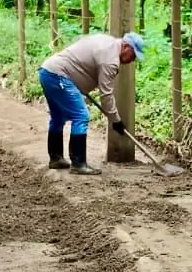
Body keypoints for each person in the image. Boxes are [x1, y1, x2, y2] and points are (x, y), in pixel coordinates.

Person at [37, 32, 144, 175]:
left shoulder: (107, 41)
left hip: (47, 71)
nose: (133, 60)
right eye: (134, 55)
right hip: (59, 76)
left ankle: (56, 159)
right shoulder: (110, 60)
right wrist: (116, 120)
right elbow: (106, 95)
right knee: (81, 116)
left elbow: (81, 59)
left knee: (58, 117)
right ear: (125, 46)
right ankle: (78, 163)